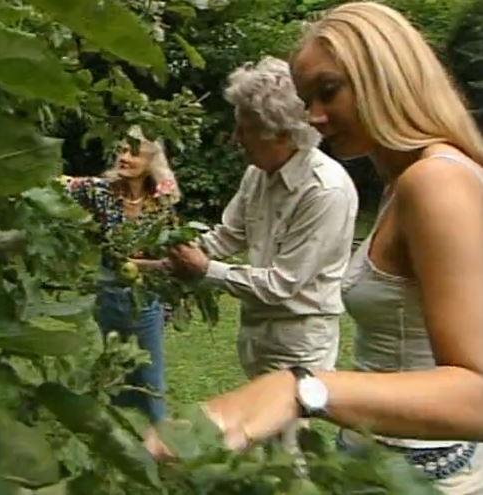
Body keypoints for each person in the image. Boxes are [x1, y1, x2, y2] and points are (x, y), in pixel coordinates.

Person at [182, 3, 483, 492]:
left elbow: (477, 394)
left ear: (388, 74)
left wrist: (300, 386)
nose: (315, 118)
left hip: (423, 468)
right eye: (306, 101)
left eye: (329, 91)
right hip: (376, 449)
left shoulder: (435, 179)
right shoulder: (404, 181)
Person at [168, 56, 358, 450]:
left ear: (284, 134)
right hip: (258, 333)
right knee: (266, 447)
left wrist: (205, 270)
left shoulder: (325, 191)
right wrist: (171, 249)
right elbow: (227, 236)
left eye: (247, 128)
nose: (236, 138)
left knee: (285, 451)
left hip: (299, 340)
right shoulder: (258, 173)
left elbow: (283, 285)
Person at [64, 127, 179, 432]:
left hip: (146, 301)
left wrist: (138, 264)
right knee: (111, 373)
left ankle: (164, 446)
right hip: (108, 298)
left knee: (150, 378)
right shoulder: (101, 191)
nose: (124, 158)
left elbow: (172, 258)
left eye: (133, 152)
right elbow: (60, 185)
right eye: (122, 151)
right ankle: (112, 439)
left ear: (151, 160)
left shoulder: (162, 200)